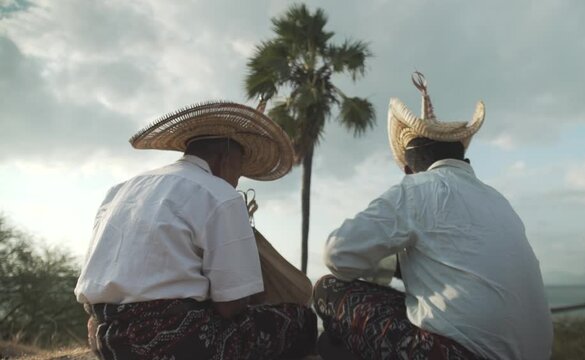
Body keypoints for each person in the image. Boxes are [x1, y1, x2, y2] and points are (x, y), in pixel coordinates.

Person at [313, 72, 553, 360]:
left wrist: (385, 265)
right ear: (462, 157)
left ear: (408, 169)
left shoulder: (415, 189)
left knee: (328, 288)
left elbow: (337, 254)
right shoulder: (499, 201)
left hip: (460, 354)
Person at [75, 101, 317, 359]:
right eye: (239, 169)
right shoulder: (221, 193)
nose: (237, 179)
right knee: (301, 321)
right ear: (224, 159)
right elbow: (230, 306)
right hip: (178, 345)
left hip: (107, 339)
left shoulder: (121, 189)